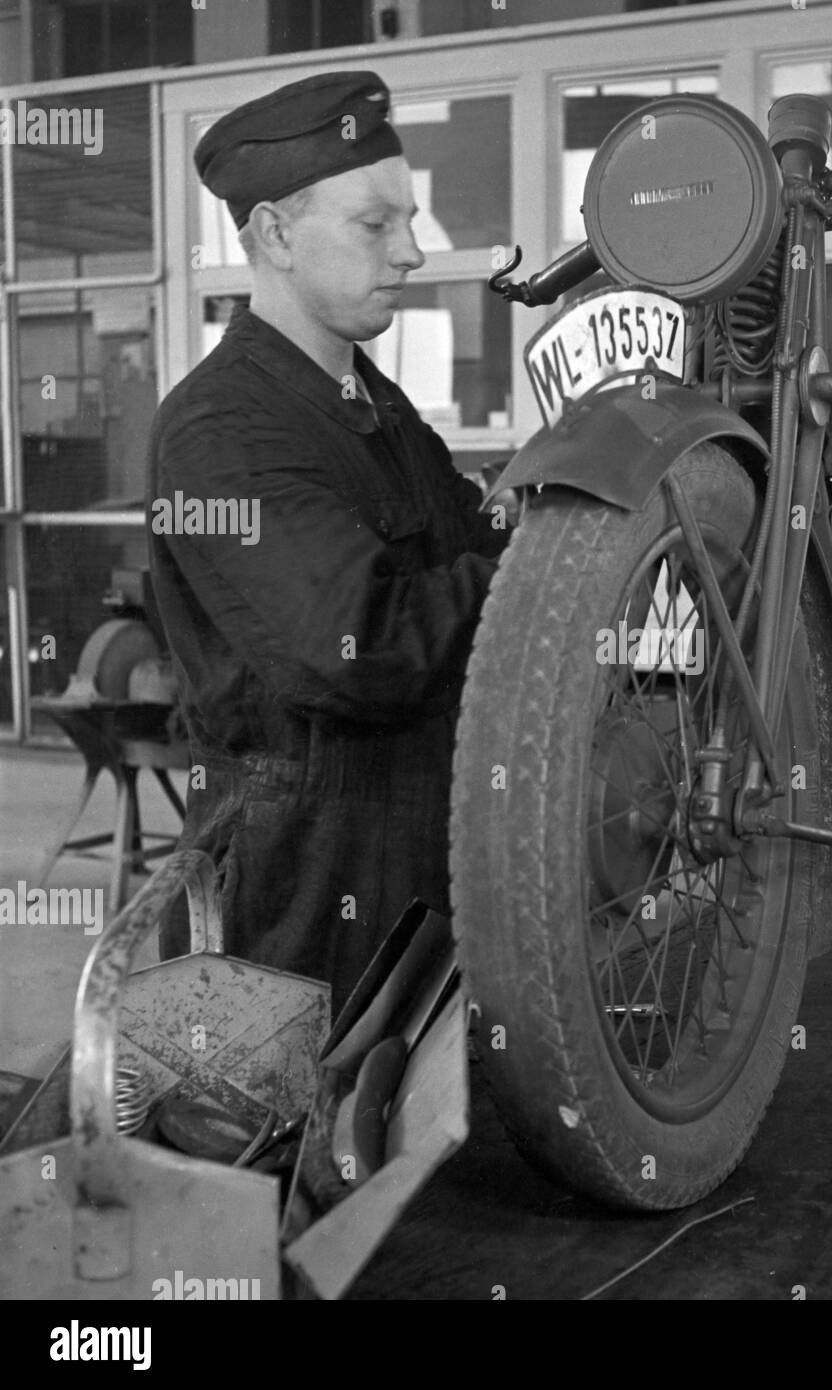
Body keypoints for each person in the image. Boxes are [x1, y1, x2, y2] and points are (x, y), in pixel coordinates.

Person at [148, 70, 507, 1008]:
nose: (413, 253)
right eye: (375, 225)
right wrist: (533, 566)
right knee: (280, 1142)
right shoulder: (220, 430)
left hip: (413, 861)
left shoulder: (377, 409)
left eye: (411, 221)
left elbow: (466, 545)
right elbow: (364, 650)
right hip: (294, 891)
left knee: (388, 1135)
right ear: (273, 234)